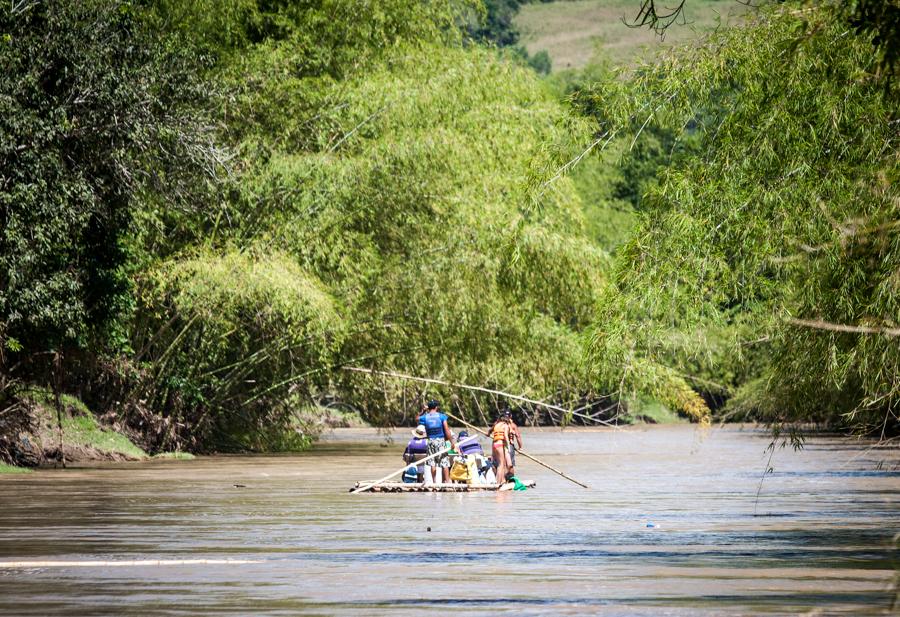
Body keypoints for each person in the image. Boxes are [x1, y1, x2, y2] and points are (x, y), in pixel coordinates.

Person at [417, 399, 457, 483]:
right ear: (436, 407)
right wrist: (452, 442)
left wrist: (423, 411)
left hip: (430, 441)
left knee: (432, 463)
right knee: (444, 462)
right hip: (440, 441)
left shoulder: (425, 417)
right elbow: (447, 430)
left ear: (429, 407)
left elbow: (417, 418)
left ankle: (435, 482)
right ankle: (447, 481)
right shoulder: (442, 416)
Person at [489, 414, 512, 483]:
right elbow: (505, 436)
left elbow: (490, 431)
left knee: (500, 463)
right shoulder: (505, 425)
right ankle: (498, 483)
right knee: (501, 465)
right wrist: (508, 446)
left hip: (495, 445)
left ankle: (502, 481)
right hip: (500, 444)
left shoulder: (497, 425)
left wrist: (488, 434)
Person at [504, 410, 523, 478]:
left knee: (503, 464)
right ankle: (512, 479)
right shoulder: (513, 425)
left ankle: (504, 479)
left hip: (501, 445)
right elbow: (518, 436)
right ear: (511, 416)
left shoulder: (501, 425)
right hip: (510, 446)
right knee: (510, 464)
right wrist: (520, 448)